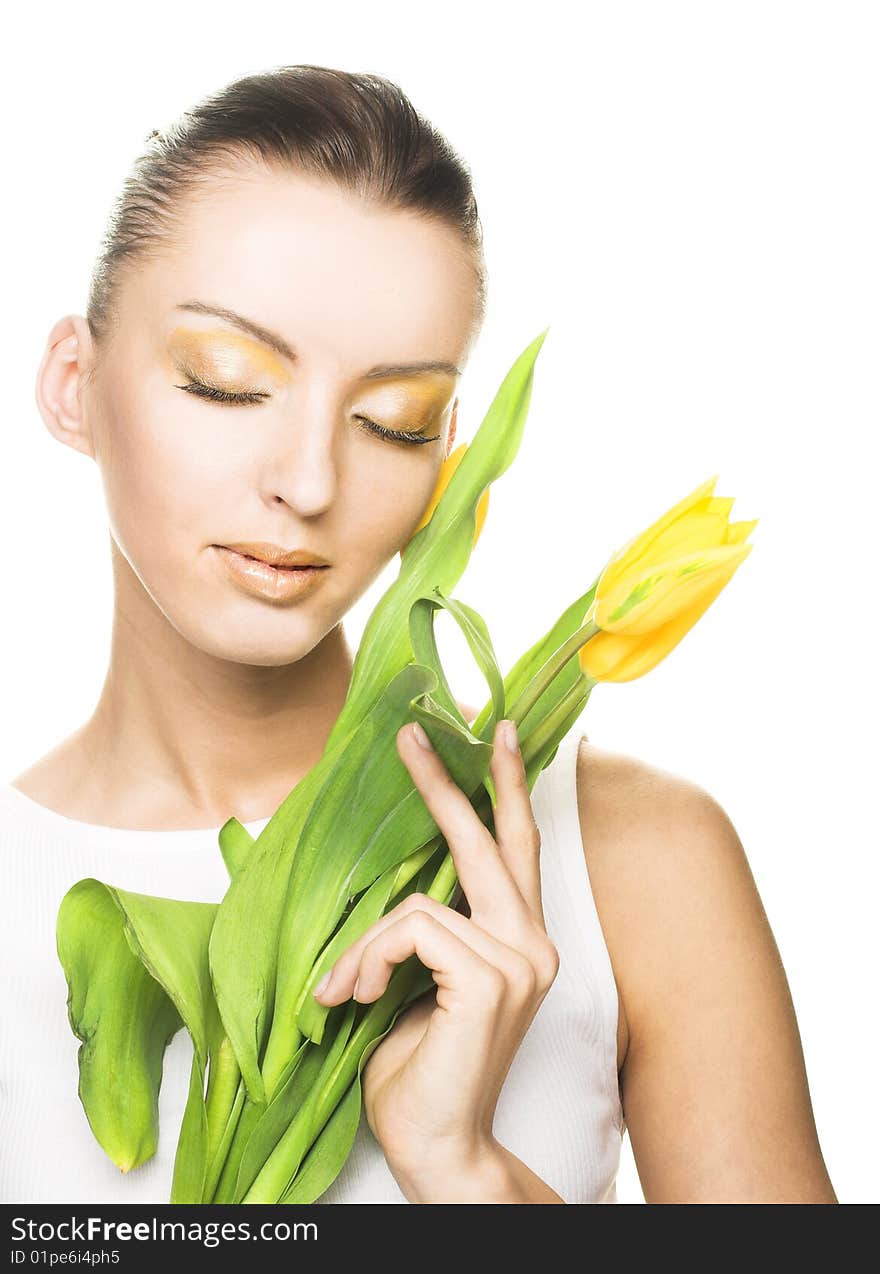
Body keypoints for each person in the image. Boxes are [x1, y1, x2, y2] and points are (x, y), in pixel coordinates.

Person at [0, 64, 836, 1205]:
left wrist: (468, 1172)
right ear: (72, 385)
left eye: (389, 423)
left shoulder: (636, 862)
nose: (306, 480)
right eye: (227, 381)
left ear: (449, 459)